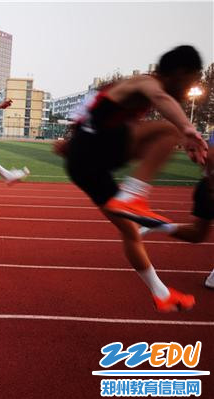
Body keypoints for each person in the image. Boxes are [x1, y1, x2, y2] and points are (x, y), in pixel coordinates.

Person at [57, 45, 208, 312]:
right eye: (192, 80)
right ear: (180, 72)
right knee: (167, 131)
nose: (190, 88)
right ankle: (133, 196)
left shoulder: (126, 89)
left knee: (130, 231)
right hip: (93, 149)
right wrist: (187, 128)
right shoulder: (145, 82)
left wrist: (72, 143)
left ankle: (160, 293)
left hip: (84, 163)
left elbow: (88, 115)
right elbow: (161, 97)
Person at [140, 143, 214, 289]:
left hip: (207, 186)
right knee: (197, 233)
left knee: (197, 234)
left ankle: (157, 224)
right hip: (208, 187)